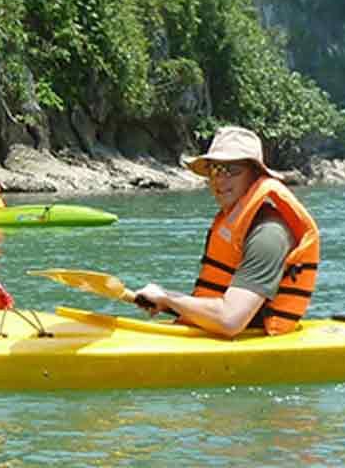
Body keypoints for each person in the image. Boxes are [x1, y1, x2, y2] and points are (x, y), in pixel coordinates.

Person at [124, 126, 320, 338]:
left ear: (255, 175)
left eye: (232, 170)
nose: (220, 179)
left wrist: (168, 297)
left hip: (249, 343)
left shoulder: (268, 235)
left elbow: (230, 320)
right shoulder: (231, 223)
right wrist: (165, 303)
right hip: (220, 335)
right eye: (215, 169)